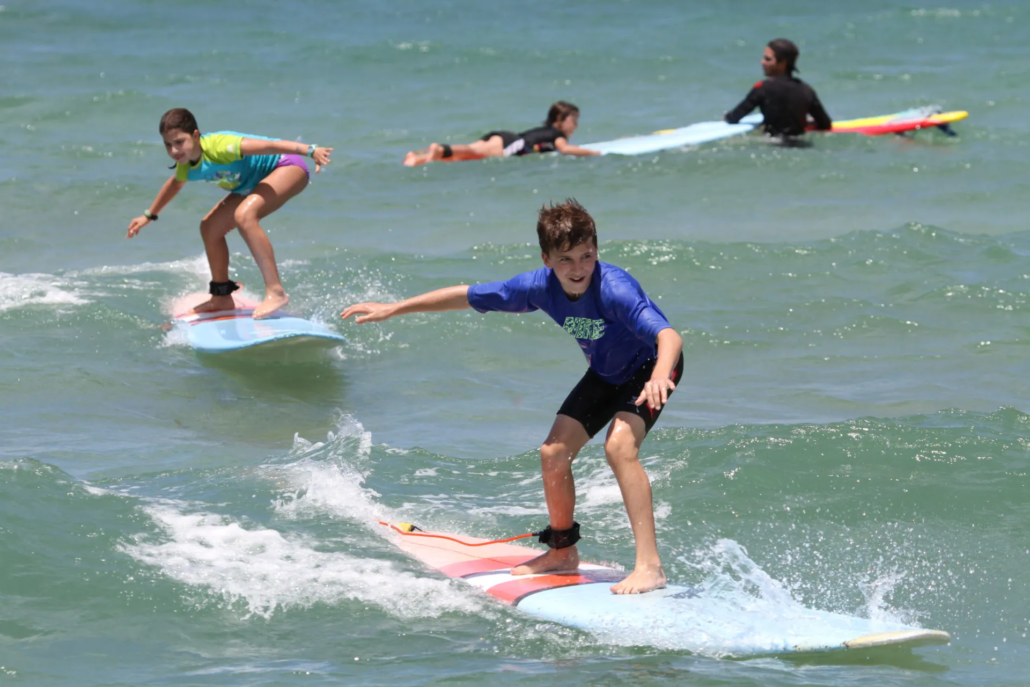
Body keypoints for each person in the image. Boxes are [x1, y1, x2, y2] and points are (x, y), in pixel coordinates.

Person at [340, 200, 684, 594]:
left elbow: (668, 336)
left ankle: (650, 567)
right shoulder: (539, 287)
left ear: (596, 251)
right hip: (606, 372)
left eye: (586, 256)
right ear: (546, 259)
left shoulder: (614, 289)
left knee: (619, 448)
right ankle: (562, 552)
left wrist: (660, 376)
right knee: (553, 453)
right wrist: (395, 308)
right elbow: (468, 295)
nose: (578, 268)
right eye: (566, 259)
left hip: (652, 367)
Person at [126, 108, 333, 319]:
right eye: (168, 145)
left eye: (179, 142)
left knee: (244, 215)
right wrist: (149, 215)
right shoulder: (186, 165)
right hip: (250, 185)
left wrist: (309, 150)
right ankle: (221, 296)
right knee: (210, 228)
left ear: (195, 135)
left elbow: (269, 145)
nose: (174, 150)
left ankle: (276, 292)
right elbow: (174, 184)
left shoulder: (220, 145)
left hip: (286, 167)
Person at [402, 101, 601, 166]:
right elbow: (565, 149)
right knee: (473, 151)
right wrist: (594, 153)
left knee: (467, 155)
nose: (576, 126)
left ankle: (418, 158)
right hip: (510, 142)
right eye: (573, 121)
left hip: (506, 138)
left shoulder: (547, 131)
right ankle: (439, 148)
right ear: (559, 120)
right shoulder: (557, 134)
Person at [724, 38, 832, 140]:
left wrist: (727, 117)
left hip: (773, 145)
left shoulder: (763, 88)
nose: (762, 62)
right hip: (802, 144)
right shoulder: (806, 89)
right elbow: (825, 124)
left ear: (783, 63)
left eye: (768, 59)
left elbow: (734, 117)